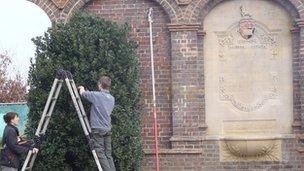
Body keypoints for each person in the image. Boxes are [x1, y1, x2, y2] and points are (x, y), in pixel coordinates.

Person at [78, 76, 116, 171]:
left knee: (100, 153)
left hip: (98, 129)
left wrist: (81, 88)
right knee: (108, 155)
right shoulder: (112, 98)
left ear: (100, 85)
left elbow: (83, 94)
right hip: (107, 128)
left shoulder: (96, 96)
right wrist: (89, 92)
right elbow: (98, 100)